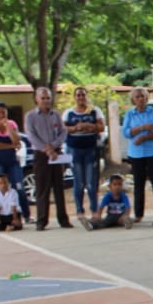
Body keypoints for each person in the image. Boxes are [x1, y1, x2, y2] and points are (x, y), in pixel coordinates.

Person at [24, 86, 72, 230]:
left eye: (48, 98)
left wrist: (53, 146)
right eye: (43, 98)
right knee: (42, 189)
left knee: (59, 188)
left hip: (56, 154)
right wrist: (46, 149)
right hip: (41, 155)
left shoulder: (55, 115)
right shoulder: (30, 116)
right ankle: (42, 220)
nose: (46, 101)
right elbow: (31, 135)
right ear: (37, 99)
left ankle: (63, 219)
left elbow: (63, 132)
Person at [121, 86, 153, 222]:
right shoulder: (130, 114)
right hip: (136, 154)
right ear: (133, 100)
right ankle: (138, 214)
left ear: (147, 98)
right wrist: (143, 128)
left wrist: (145, 137)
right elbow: (126, 132)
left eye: (143, 96)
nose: (140, 99)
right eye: (137, 96)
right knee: (139, 184)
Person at [0, 101, 30, 223]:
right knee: (2, 189)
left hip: (12, 160)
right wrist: (11, 146)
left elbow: (17, 140)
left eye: (4, 113)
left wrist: (8, 127)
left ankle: (26, 215)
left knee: (19, 187)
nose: (1, 115)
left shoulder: (12, 124)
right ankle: (4, 217)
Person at [64, 86, 105, 218]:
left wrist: (90, 126)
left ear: (87, 96)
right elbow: (62, 129)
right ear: (74, 97)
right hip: (74, 150)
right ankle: (79, 210)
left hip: (91, 149)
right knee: (79, 182)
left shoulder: (94, 111)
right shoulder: (68, 113)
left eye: (83, 95)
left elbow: (102, 127)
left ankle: (94, 210)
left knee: (91, 182)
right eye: (78, 95)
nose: (81, 97)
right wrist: (75, 128)